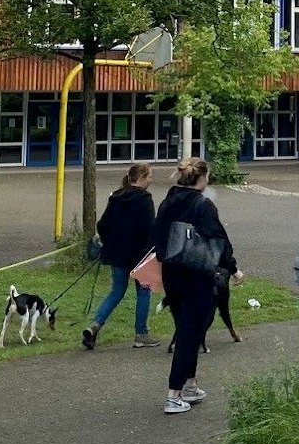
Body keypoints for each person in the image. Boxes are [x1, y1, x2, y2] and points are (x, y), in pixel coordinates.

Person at [152, 158, 239, 414]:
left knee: (185, 327)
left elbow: (157, 236)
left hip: (172, 273)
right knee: (191, 332)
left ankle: (190, 385)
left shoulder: (167, 202)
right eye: (208, 176)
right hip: (197, 274)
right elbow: (220, 240)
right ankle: (173, 395)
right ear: (201, 178)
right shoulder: (204, 205)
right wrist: (232, 268)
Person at [83, 163, 158, 351]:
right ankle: (141, 334)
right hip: (139, 255)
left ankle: (95, 325)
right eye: (150, 176)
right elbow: (149, 228)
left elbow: (102, 224)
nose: (151, 180)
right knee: (144, 291)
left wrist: (111, 243)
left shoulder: (116, 197)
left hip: (117, 254)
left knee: (116, 291)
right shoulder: (145, 199)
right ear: (141, 178)